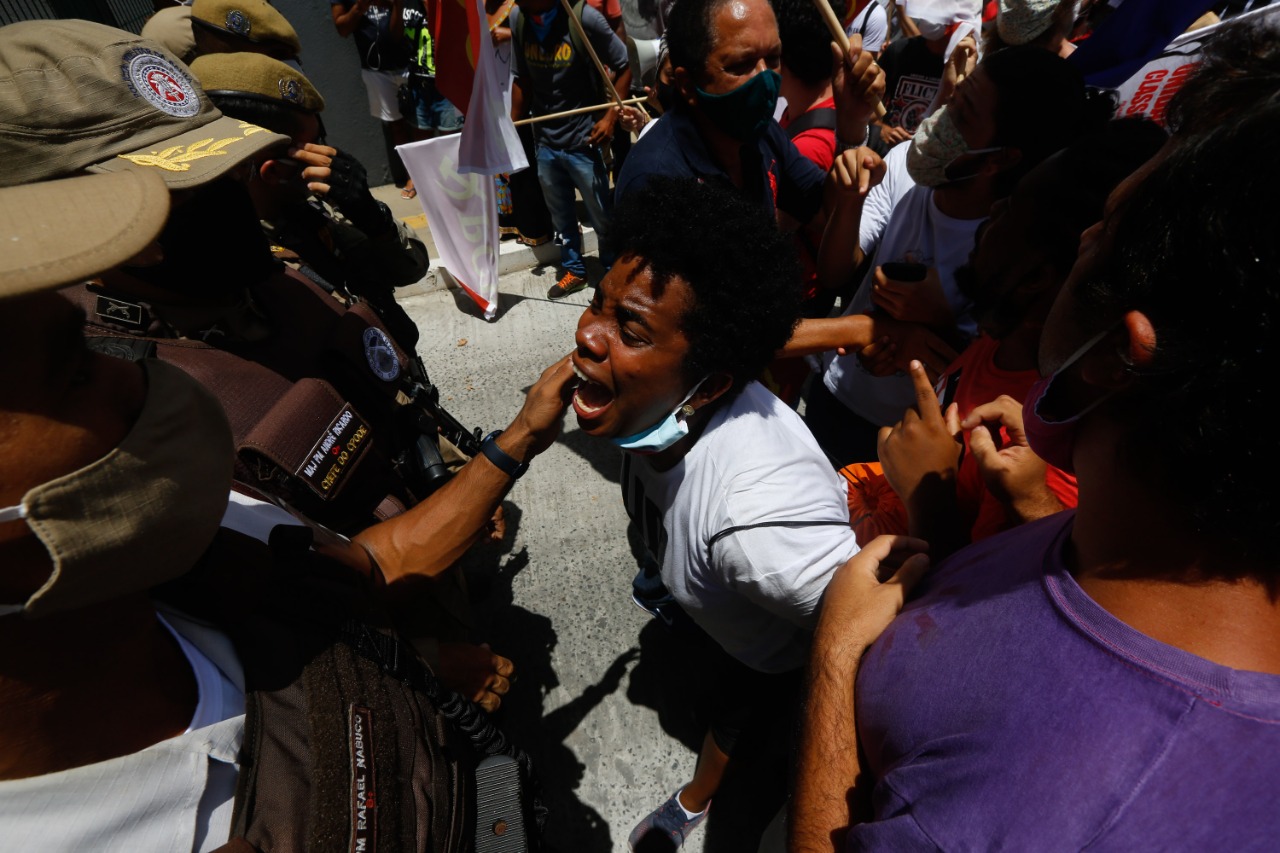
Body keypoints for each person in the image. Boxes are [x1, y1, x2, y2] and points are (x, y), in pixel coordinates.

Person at [0, 168, 578, 851]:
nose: (137, 374)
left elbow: (370, 565)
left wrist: (518, 441)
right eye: (76, 373)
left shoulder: (216, 535)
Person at [791, 97, 1280, 852]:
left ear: (1123, 355)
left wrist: (836, 661)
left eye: (1106, 233)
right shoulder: (1136, 531)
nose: (1084, 236)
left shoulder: (1067, 811)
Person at [0, 21, 473, 540]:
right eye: (184, 193)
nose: (231, 201)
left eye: (231, 173)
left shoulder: (267, 275)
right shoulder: (79, 392)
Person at [566, 177, 862, 849]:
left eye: (629, 327)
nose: (587, 334)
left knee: (748, 719)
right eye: (597, 304)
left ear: (712, 383)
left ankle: (706, 798)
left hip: (778, 663)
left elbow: (865, 634)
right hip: (721, 623)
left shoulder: (756, 530)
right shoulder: (657, 405)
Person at [849, 118, 1165, 557]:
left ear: (1035, 278)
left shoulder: (1037, 459)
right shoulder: (1007, 338)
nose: (992, 212)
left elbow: (969, 602)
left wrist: (928, 495)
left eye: (1011, 208)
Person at [807, 44, 1104, 467]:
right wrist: (851, 194)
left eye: (962, 117)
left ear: (1002, 158)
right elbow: (836, 271)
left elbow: (994, 369)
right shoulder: (903, 169)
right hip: (834, 390)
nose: (940, 120)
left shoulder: (1013, 251)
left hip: (900, 442)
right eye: (952, 99)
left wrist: (941, 320)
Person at [192, 51, 429, 350]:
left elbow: (411, 269)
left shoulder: (314, 206)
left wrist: (373, 217)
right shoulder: (234, 267)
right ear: (275, 170)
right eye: (316, 144)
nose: (328, 154)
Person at [614, 0, 884, 226]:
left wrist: (851, 126)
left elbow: (825, 211)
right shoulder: (654, 180)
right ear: (686, 85)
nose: (765, 79)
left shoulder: (763, 133)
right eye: (741, 64)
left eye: (774, 58)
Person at [509, 0, 631, 299]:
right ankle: (574, 270)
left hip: (584, 139)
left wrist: (610, 118)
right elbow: (522, 78)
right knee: (560, 215)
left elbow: (624, 64)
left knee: (601, 215)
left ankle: (611, 272)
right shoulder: (519, 19)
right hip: (546, 140)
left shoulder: (584, 19)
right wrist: (510, 127)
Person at [331, 0, 415, 186]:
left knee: (421, 124)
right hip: (376, 71)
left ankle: (427, 173)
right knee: (396, 125)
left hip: (409, 61)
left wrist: (396, 6)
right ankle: (413, 176)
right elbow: (342, 28)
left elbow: (400, 30)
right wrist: (359, 7)